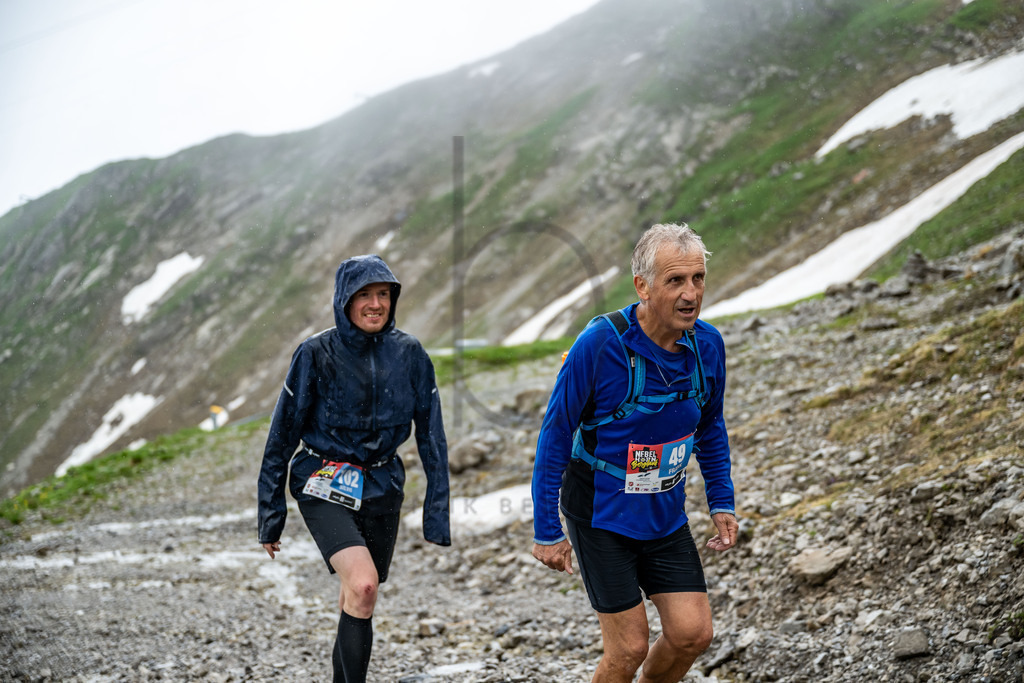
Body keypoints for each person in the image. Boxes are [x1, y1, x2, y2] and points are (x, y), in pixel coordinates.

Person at [531, 223, 738, 683]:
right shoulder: (600, 344)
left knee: (692, 634)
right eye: (675, 281)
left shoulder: (708, 346)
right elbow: (555, 435)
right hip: (600, 512)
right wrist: (547, 529)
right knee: (627, 648)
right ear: (642, 286)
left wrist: (721, 500)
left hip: (663, 512)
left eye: (698, 279)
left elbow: (711, 426)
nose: (691, 294)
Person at [257, 254, 450, 683]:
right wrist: (270, 515)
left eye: (383, 294)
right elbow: (281, 434)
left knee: (357, 597)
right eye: (364, 295)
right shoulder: (314, 353)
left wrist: (437, 515)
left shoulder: (411, 354)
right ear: (345, 300)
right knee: (364, 585)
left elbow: (432, 436)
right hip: (321, 481)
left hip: (382, 484)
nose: (375, 304)